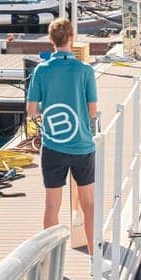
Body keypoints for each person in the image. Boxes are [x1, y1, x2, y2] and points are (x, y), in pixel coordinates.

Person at [27, 18, 98, 243]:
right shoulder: (85, 70)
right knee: (88, 204)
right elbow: (93, 111)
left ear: (51, 40)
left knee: (51, 206)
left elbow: (32, 111)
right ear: (72, 38)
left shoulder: (41, 70)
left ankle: (51, 261)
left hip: (53, 146)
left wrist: (49, 107)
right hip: (82, 145)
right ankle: (93, 257)